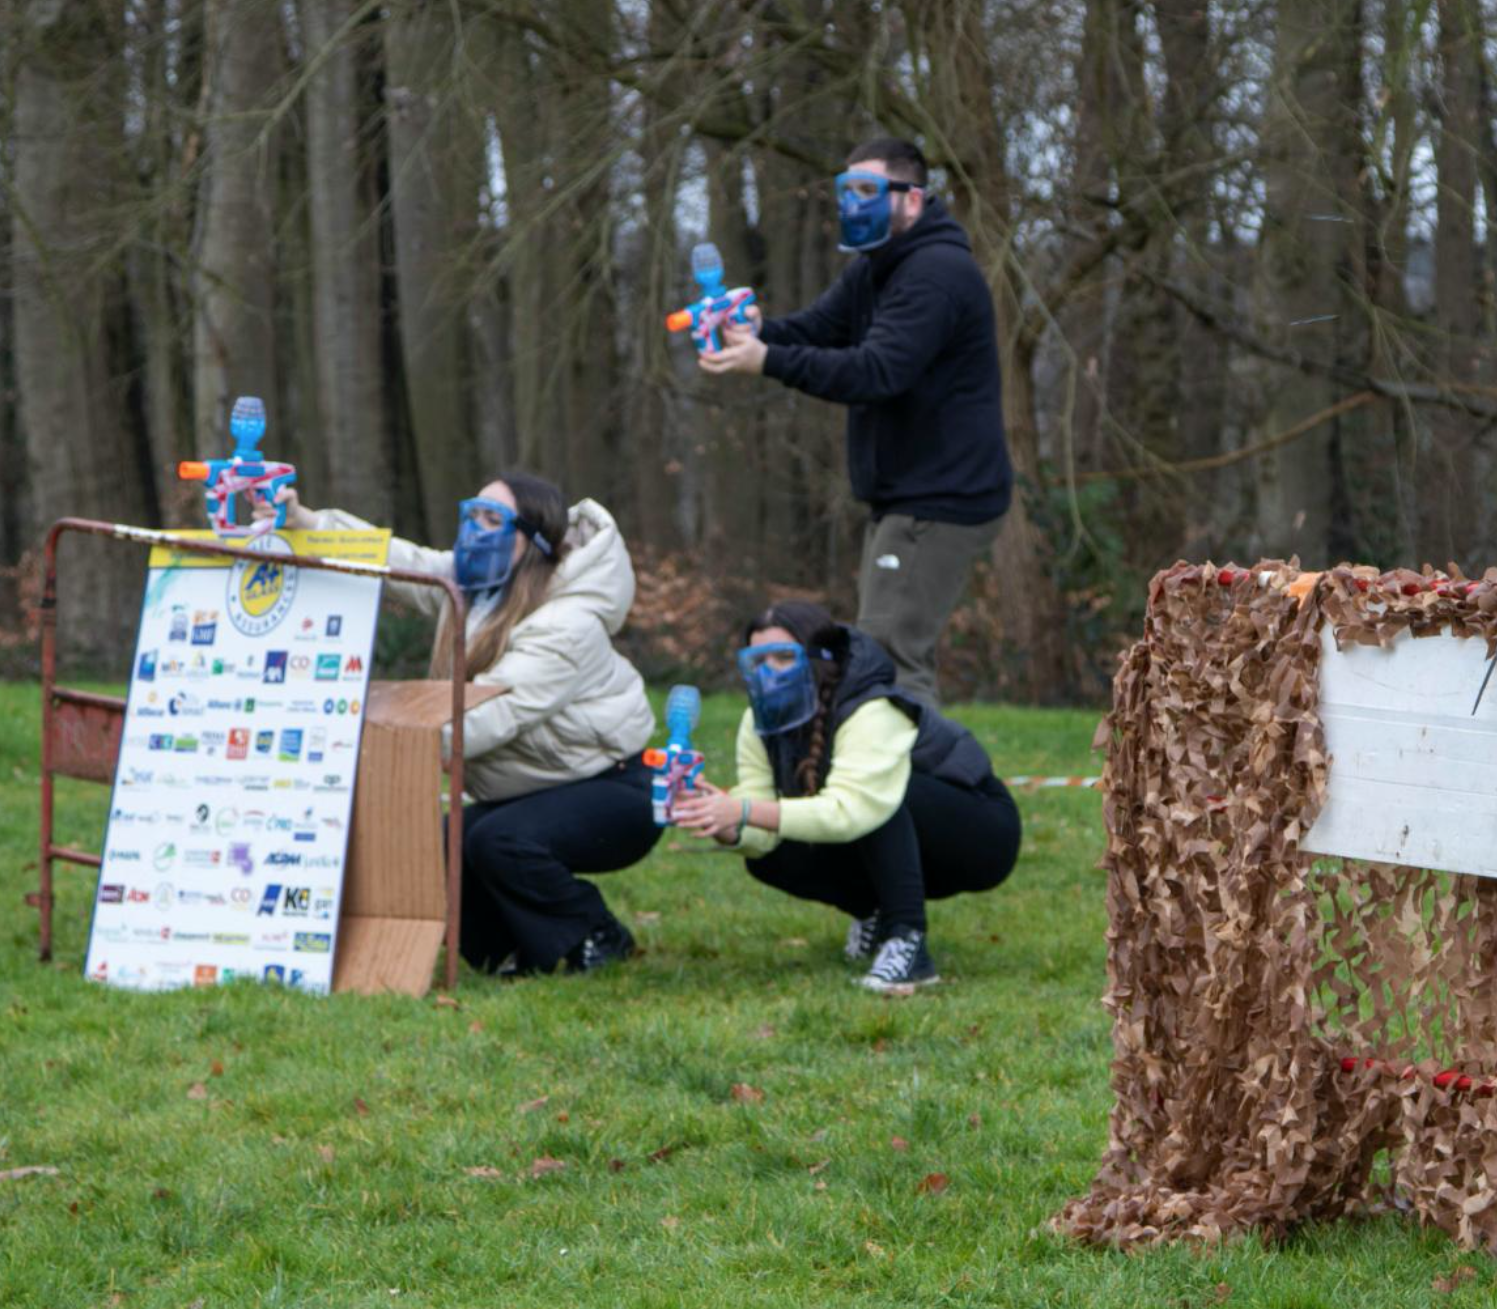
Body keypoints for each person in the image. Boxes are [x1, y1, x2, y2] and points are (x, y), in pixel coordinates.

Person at [262, 474, 657, 977]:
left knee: (497, 842)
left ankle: (594, 931)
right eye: (471, 513)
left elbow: (493, 713)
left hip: (614, 789)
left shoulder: (567, 622)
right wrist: (310, 524)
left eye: (493, 519)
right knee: (436, 844)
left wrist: (380, 747)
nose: (475, 529)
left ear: (534, 542)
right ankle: (508, 956)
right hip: (535, 787)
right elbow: (401, 562)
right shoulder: (478, 589)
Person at [695, 136, 1011, 708]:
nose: (853, 204)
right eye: (847, 191)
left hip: (940, 500)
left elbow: (875, 371)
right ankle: (908, 787)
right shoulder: (877, 267)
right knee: (887, 650)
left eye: (868, 190)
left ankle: (911, 790)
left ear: (911, 199)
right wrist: (758, 332)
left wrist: (764, 360)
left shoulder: (935, 273)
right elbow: (819, 328)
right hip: (904, 498)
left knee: (888, 659)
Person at [671, 600, 1021, 992]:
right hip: (892, 835)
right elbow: (761, 830)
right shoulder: (756, 721)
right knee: (767, 859)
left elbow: (850, 812)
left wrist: (744, 808)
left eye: (784, 657)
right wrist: (722, 821)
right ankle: (874, 915)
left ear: (819, 659)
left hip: (981, 835)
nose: (769, 671)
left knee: (880, 800)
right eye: (758, 660)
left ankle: (908, 943)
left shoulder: (872, 708)